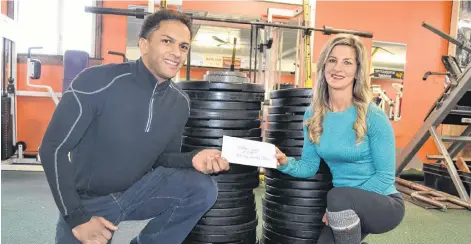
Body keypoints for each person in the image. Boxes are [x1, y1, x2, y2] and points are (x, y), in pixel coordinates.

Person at [39, 9, 229, 244]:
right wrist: (76, 218)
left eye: (183, 46)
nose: (176, 53)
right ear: (144, 45)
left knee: (202, 187)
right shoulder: (97, 82)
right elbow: (52, 148)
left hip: (139, 193)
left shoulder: (180, 102)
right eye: (167, 41)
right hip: (88, 203)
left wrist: (192, 158)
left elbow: (164, 159)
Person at [275, 34, 405, 244]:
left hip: (383, 202)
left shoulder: (373, 116)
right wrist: (283, 162)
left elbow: (385, 177)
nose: (338, 68)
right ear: (324, 66)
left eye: (347, 62)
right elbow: (309, 166)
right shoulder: (313, 114)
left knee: (337, 196)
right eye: (332, 60)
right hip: (342, 207)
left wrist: (340, 205)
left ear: (357, 71)